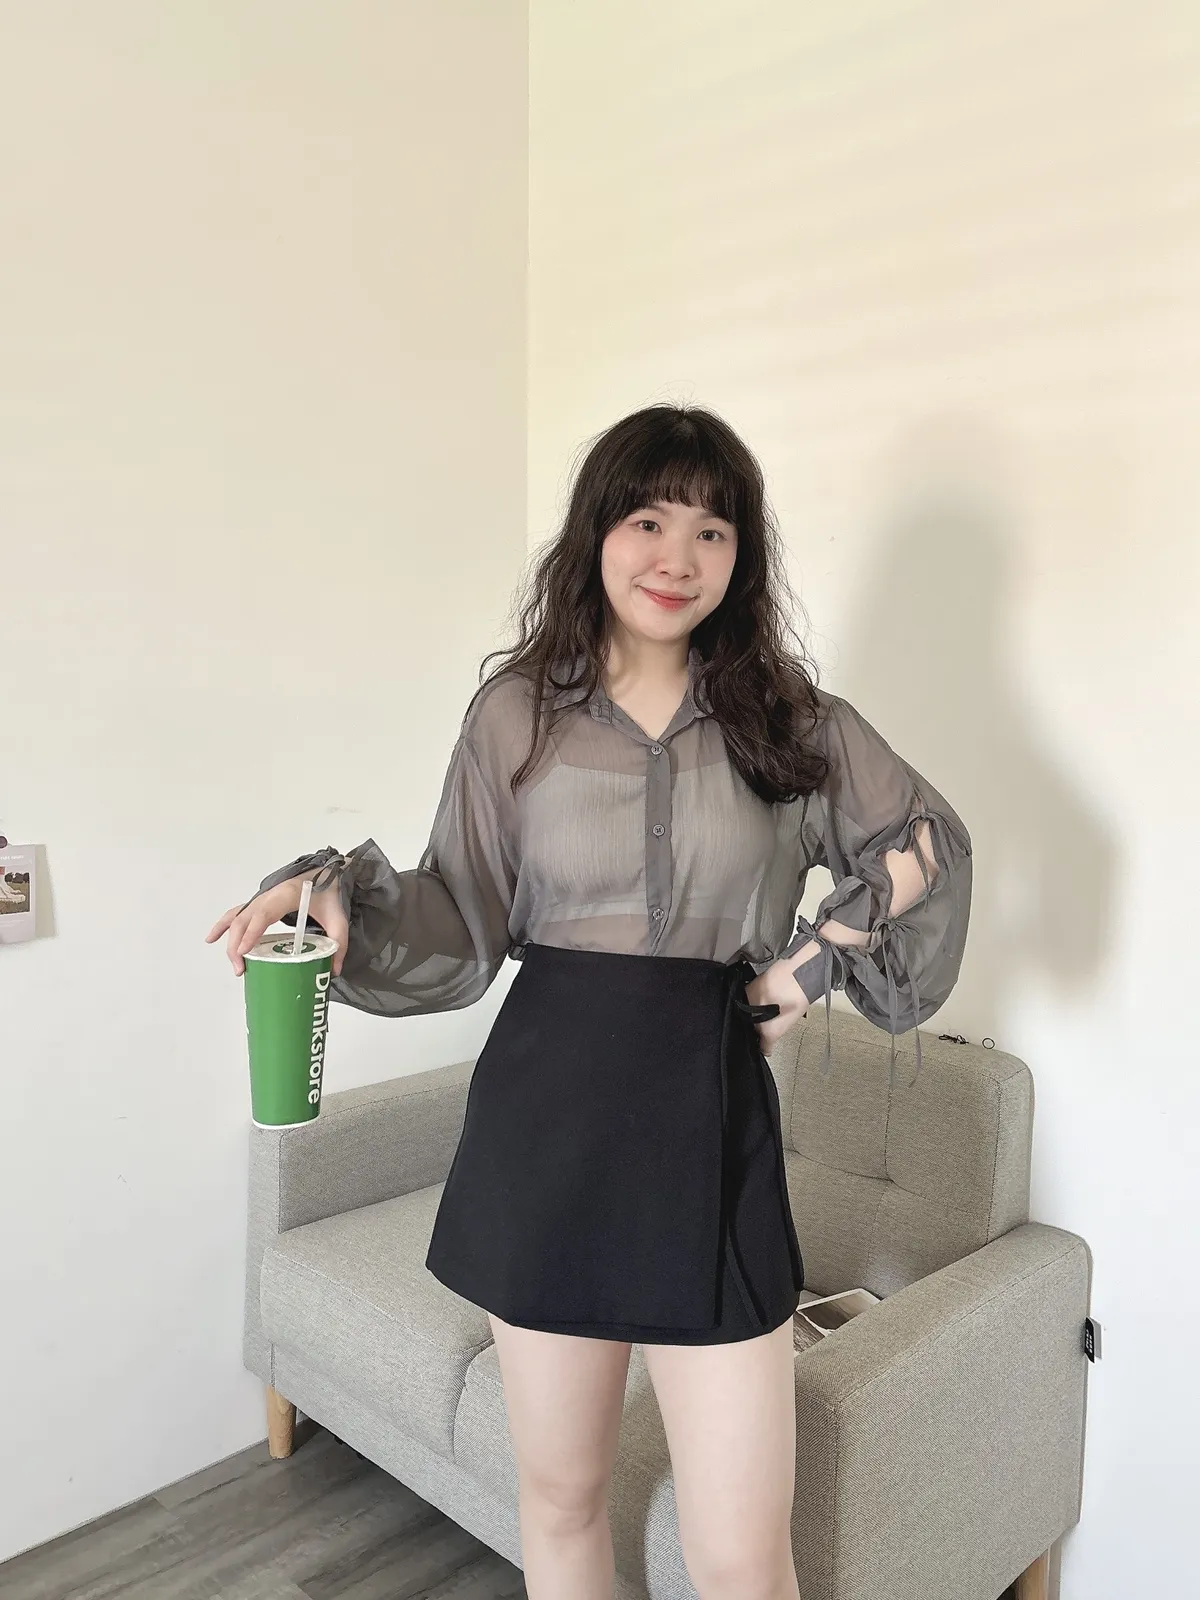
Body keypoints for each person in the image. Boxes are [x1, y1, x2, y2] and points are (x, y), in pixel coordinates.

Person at [207, 403, 972, 1600]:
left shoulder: (788, 722)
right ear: (596, 531)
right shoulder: (516, 713)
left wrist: (804, 969)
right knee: (561, 1501)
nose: (678, 556)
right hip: (544, 1130)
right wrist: (334, 895)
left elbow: (926, 842)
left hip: (712, 1125)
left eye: (712, 530)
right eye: (649, 519)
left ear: (742, 555)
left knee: (744, 1556)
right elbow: (461, 915)